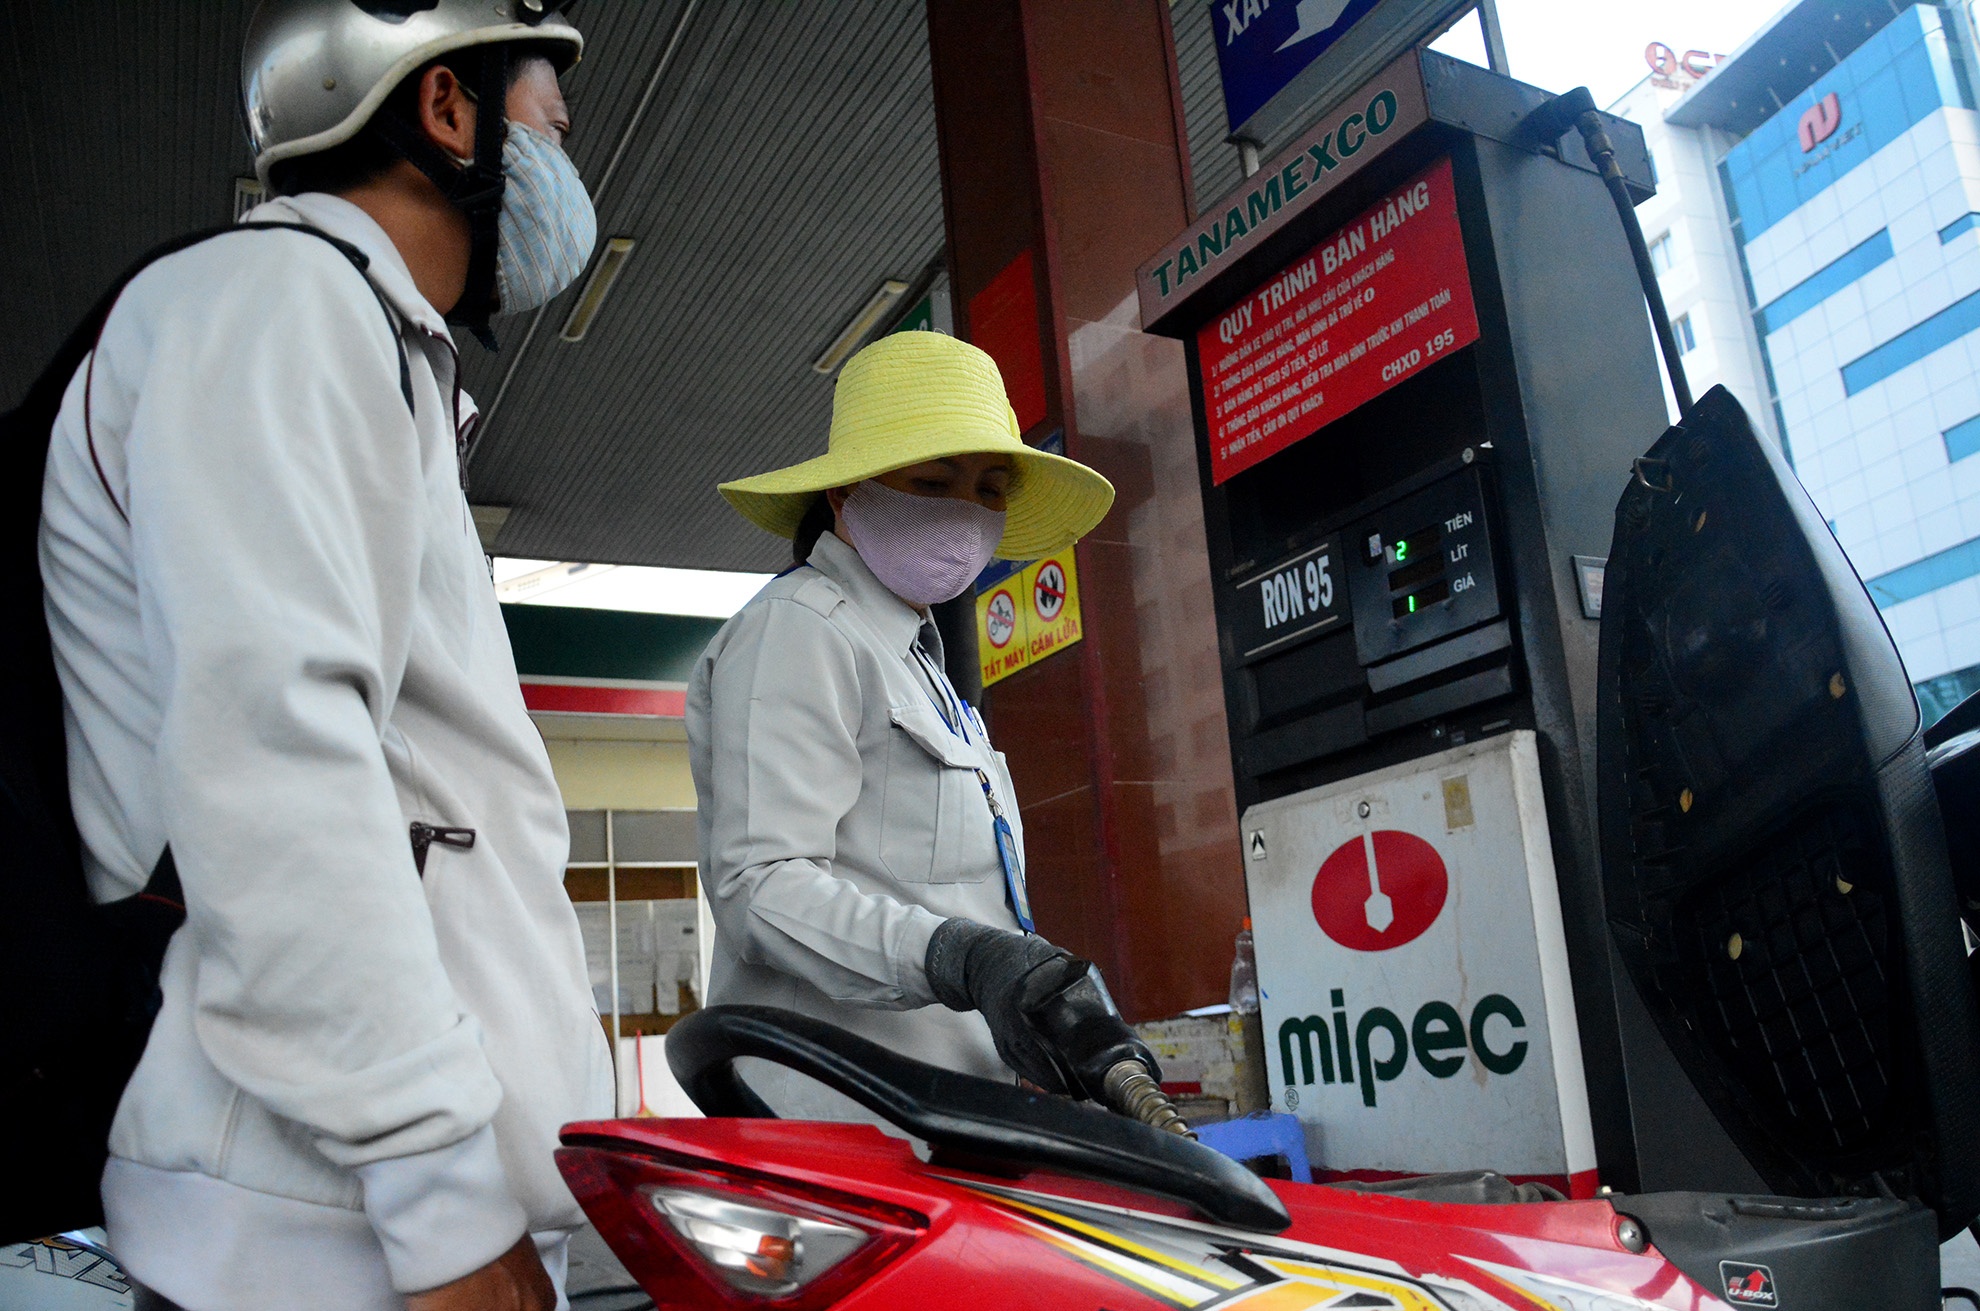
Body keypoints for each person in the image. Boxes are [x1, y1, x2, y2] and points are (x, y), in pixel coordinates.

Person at [38, 2, 612, 1307]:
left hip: (371, 1225)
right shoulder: (278, 304)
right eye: (550, 111)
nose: (565, 143)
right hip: (315, 1234)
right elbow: (273, 756)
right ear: (447, 108)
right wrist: (445, 1207)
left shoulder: (363, 342)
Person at [688, 331, 1146, 1118]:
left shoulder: (923, 668)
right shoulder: (799, 629)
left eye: (991, 488)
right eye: (933, 481)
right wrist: (957, 955)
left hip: (949, 1118)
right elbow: (759, 887)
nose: (965, 514)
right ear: (845, 494)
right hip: (837, 1122)